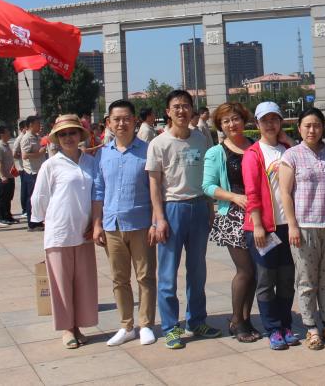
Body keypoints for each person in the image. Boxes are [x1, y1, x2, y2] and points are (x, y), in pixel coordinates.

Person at [147, 89, 220, 349]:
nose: (181, 110)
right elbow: (154, 184)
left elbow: (208, 176)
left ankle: (196, 320)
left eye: (186, 106)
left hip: (199, 207)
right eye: (176, 106)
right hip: (172, 209)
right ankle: (170, 327)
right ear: (168, 112)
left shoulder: (201, 139)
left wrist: (210, 207)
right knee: (168, 274)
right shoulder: (159, 143)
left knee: (197, 271)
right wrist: (159, 219)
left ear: (192, 110)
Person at [278, 108, 325, 350]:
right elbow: (285, 193)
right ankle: (310, 327)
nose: (312, 130)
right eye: (307, 125)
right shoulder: (291, 155)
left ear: (323, 127)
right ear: (299, 128)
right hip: (304, 225)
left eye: (316, 125)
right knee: (306, 280)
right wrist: (292, 225)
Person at [30, 114, 99, 349]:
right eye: (63, 134)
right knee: (61, 283)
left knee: (83, 283)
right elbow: (39, 198)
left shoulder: (90, 162)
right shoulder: (51, 165)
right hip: (59, 232)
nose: (68, 138)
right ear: (57, 139)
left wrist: (95, 222)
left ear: (80, 135)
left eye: (72, 133)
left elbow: (98, 194)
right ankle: (67, 328)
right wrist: (46, 221)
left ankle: (79, 325)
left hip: (85, 233)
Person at [92, 99, 157, 347]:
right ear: (108, 123)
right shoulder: (102, 153)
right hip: (112, 225)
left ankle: (146, 324)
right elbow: (98, 191)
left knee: (145, 276)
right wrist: (97, 224)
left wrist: (155, 222)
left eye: (126, 119)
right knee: (119, 279)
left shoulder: (148, 150)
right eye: (116, 119)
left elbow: (156, 190)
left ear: (134, 121)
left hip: (141, 224)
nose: (121, 123)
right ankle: (126, 325)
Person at [203, 102, 260, 343]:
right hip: (233, 216)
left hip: (257, 214)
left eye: (235, 119)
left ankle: (246, 318)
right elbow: (207, 186)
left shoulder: (256, 146)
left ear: (243, 120)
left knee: (256, 271)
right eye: (225, 121)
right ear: (220, 125)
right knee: (245, 270)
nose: (231, 124)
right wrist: (234, 197)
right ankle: (236, 320)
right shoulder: (216, 152)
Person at [243, 101, 297, 350]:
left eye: (274, 119)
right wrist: (258, 225)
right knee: (266, 280)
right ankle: (273, 329)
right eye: (265, 120)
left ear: (281, 122)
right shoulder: (253, 154)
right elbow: (252, 192)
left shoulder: (288, 149)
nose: (270, 124)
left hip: (288, 225)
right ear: (257, 124)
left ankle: (286, 325)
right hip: (264, 226)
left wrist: (288, 140)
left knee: (286, 278)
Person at [19, 116, 46, 231]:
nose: (39, 125)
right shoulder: (26, 138)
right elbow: (25, 155)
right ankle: (31, 223)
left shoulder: (37, 136)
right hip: (31, 172)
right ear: (31, 125)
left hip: (39, 170)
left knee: (38, 197)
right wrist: (39, 153)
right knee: (32, 198)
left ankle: (38, 221)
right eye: (37, 124)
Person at [0, 126, 17, 225]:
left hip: (10, 175)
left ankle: (8, 215)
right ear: (2, 134)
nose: (9, 133)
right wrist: (2, 175)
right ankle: (2, 217)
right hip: (2, 177)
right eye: (7, 132)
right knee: (3, 198)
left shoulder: (6, 145)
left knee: (9, 197)